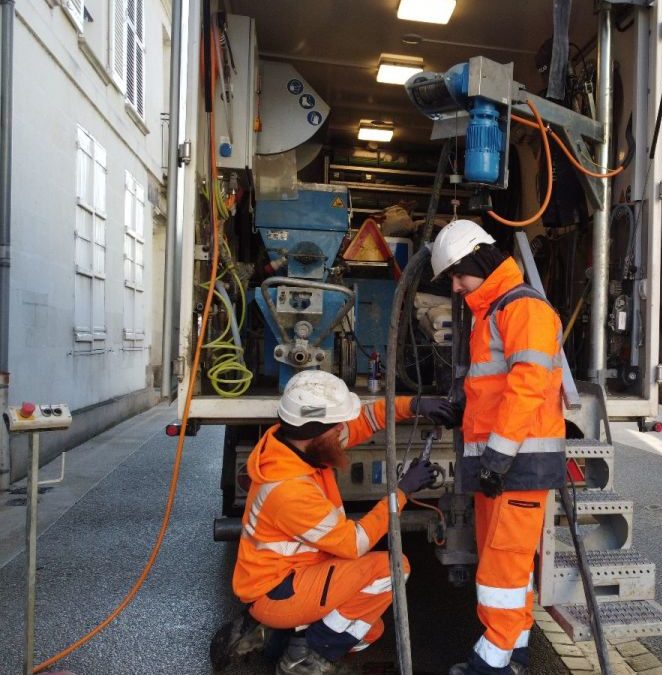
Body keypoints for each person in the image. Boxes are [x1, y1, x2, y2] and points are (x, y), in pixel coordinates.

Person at [209, 369, 453, 675]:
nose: (343, 430)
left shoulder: (298, 445)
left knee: (369, 631)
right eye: (337, 426)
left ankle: (272, 634)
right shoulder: (289, 488)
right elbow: (355, 543)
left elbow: (367, 420)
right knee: (392, 568)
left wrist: (413, 405)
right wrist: (402, 492)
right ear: (314, 430)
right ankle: (306, 657)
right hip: (278, 590)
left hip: (288, 577)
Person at [430, 220, 567, 675]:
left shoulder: (522, 309)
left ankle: (489, 663)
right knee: (507, 569)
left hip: (514, 465)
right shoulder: (494, 311)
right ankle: (514, 655)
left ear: (479, 261)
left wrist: (497, 457)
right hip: (504, 464)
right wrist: (462, 406)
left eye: (457, 274)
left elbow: (527, 389)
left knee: (501, 573)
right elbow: (494, 386)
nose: (455, 285)